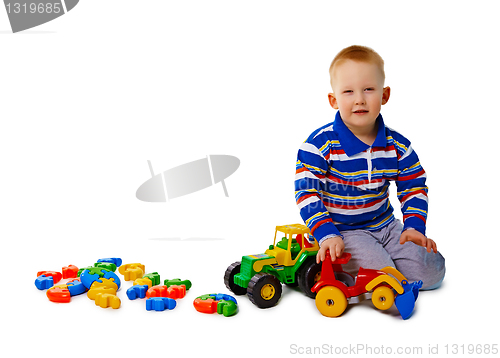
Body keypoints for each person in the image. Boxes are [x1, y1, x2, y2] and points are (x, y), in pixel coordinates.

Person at [295, 45, 445, 289]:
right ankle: (364, 272)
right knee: (382, 276)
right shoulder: (319, 145)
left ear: (384, 95)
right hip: (344, 232)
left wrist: (414, 226)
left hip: (386, 225)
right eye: (348, 91)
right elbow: (306, 193)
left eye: (368, 89)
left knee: (431, 274)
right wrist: (327, 234)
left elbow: (414, 186)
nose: (359, 99)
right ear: (334, 100)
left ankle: (394, 268)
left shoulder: (397, 145)